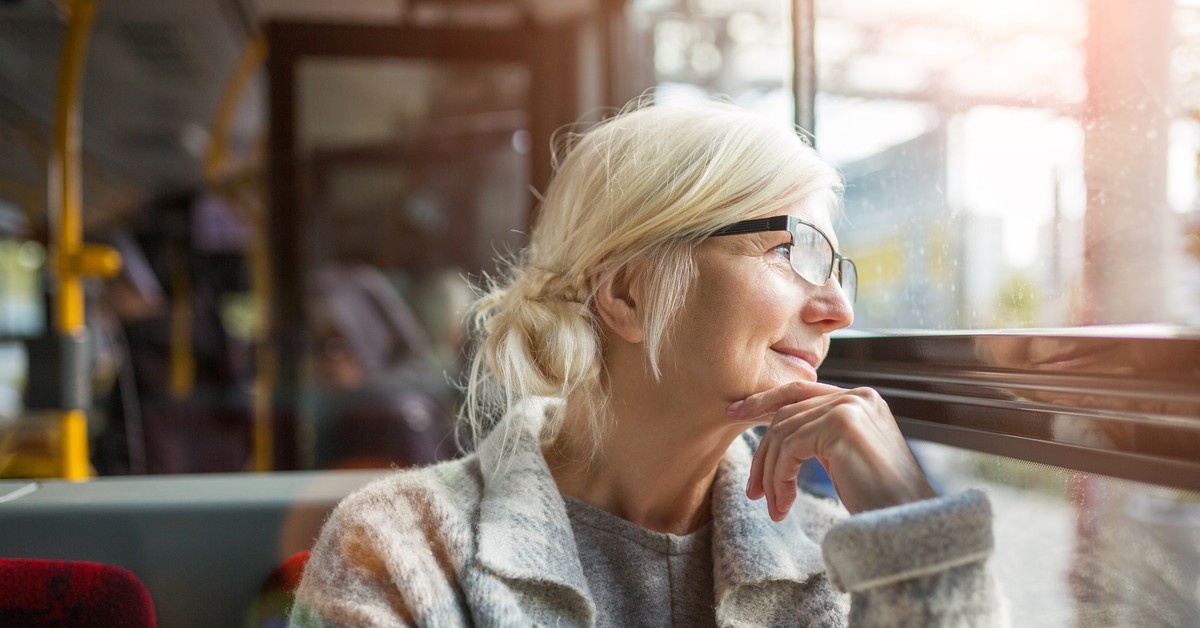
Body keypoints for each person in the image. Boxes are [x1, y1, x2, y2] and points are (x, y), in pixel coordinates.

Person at [291, 99, 1004, 626]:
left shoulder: (847, 564)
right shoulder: (398, 549)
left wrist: (919, 533)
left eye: (835, 271)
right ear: (628, 292)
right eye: (793, 252)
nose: (837, 311)